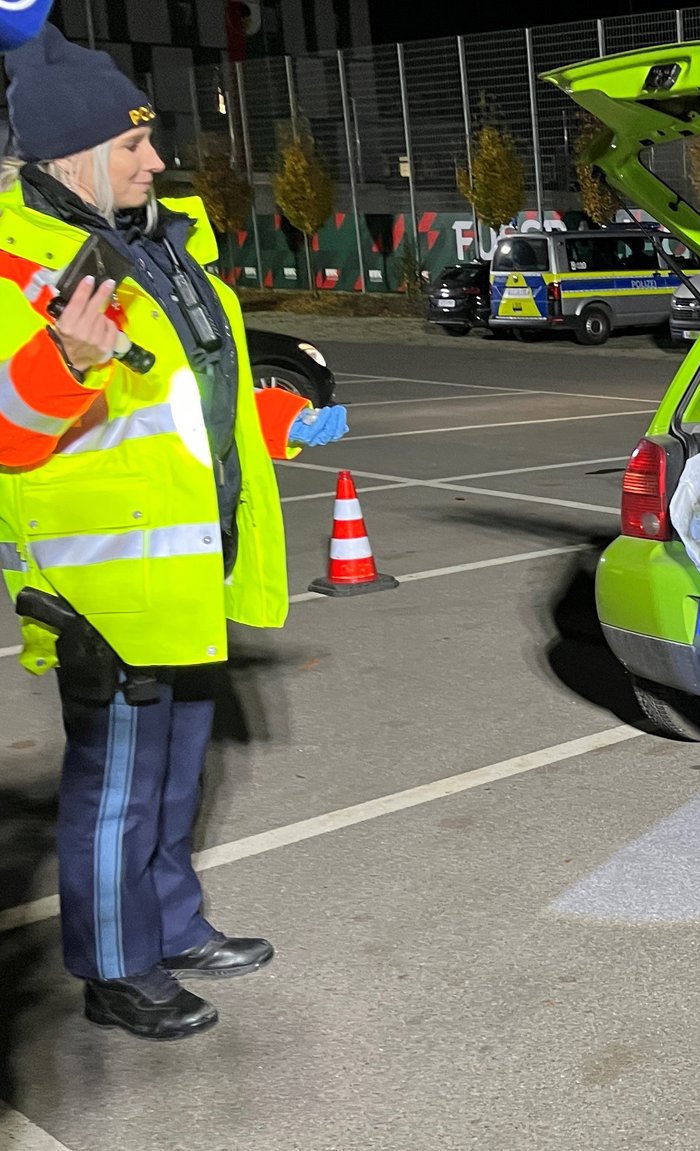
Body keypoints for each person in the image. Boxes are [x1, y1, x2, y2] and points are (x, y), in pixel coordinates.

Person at [0, 26, 350, 1041]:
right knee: (114, 789)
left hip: (191, 568)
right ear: (71, 161)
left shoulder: (161, 241)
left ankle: (172, 924)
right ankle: (116, 966)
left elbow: (198, 396)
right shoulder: (19, 266)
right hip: (102, 590)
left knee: (176, 773)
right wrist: (64, 359)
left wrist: (283, 422)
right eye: (133, 145)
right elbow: (10, 436)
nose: (158, 159)